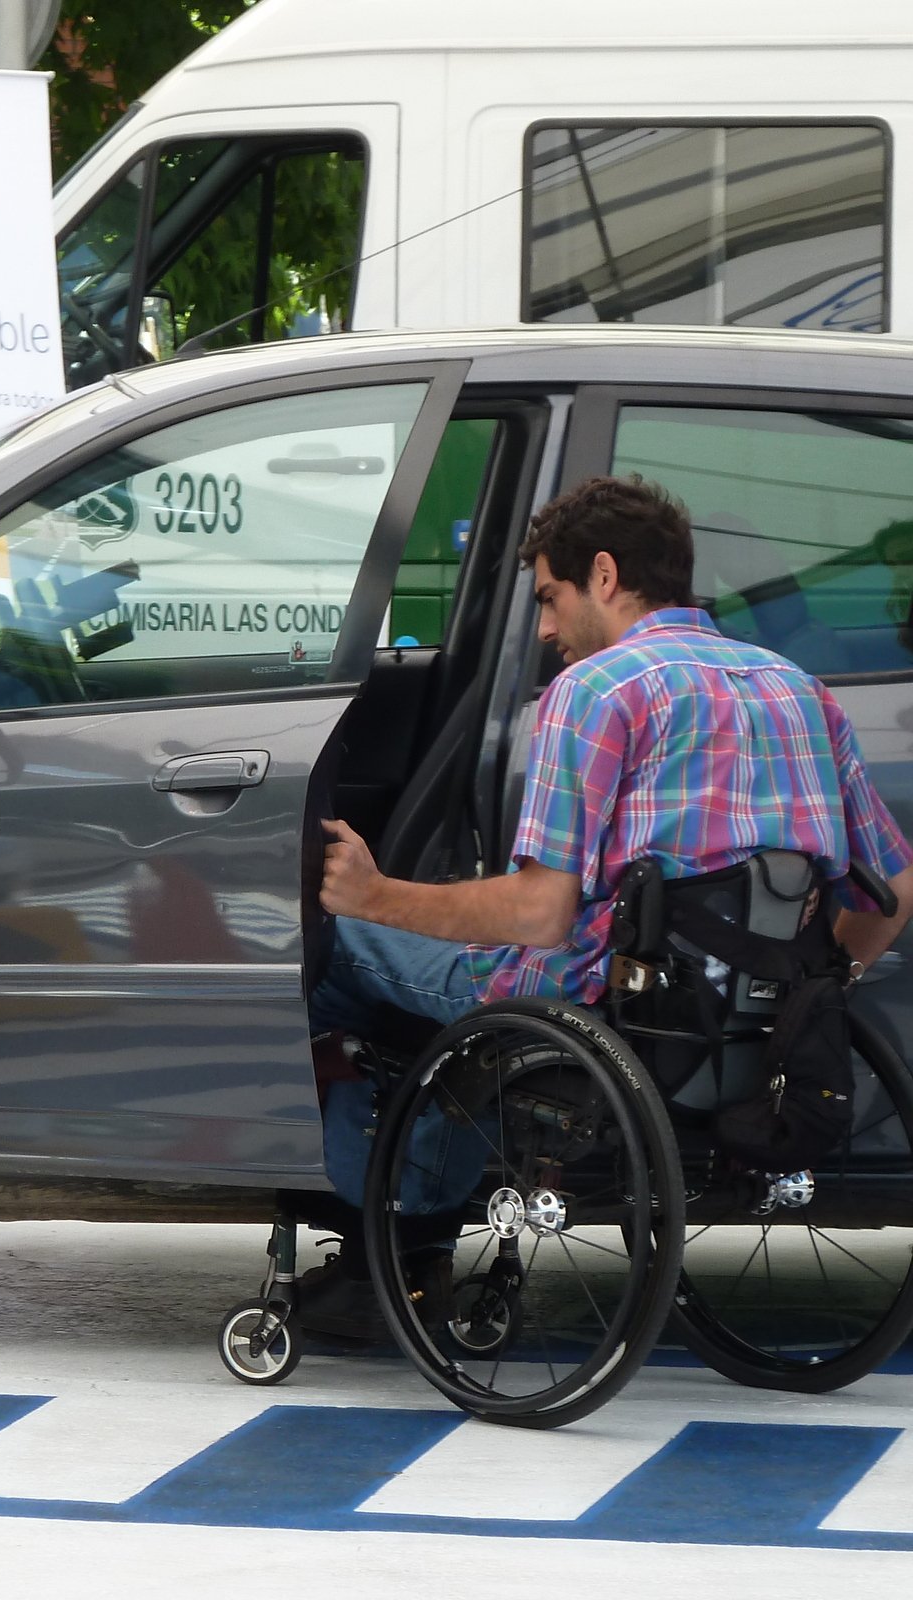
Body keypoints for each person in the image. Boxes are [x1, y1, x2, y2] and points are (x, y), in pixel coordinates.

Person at [296, 473, 913, 1339]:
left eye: (550, 598)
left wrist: (376, 893)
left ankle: (391, 1240)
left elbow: (539, 916)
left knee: (340, 954)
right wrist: (821, 989)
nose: (546, 628)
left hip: (595, 1005)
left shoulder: (594, 693)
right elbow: (898, 885)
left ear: (606, 575)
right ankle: (414, 1210)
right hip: (750, 1026)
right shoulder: (801, 694)